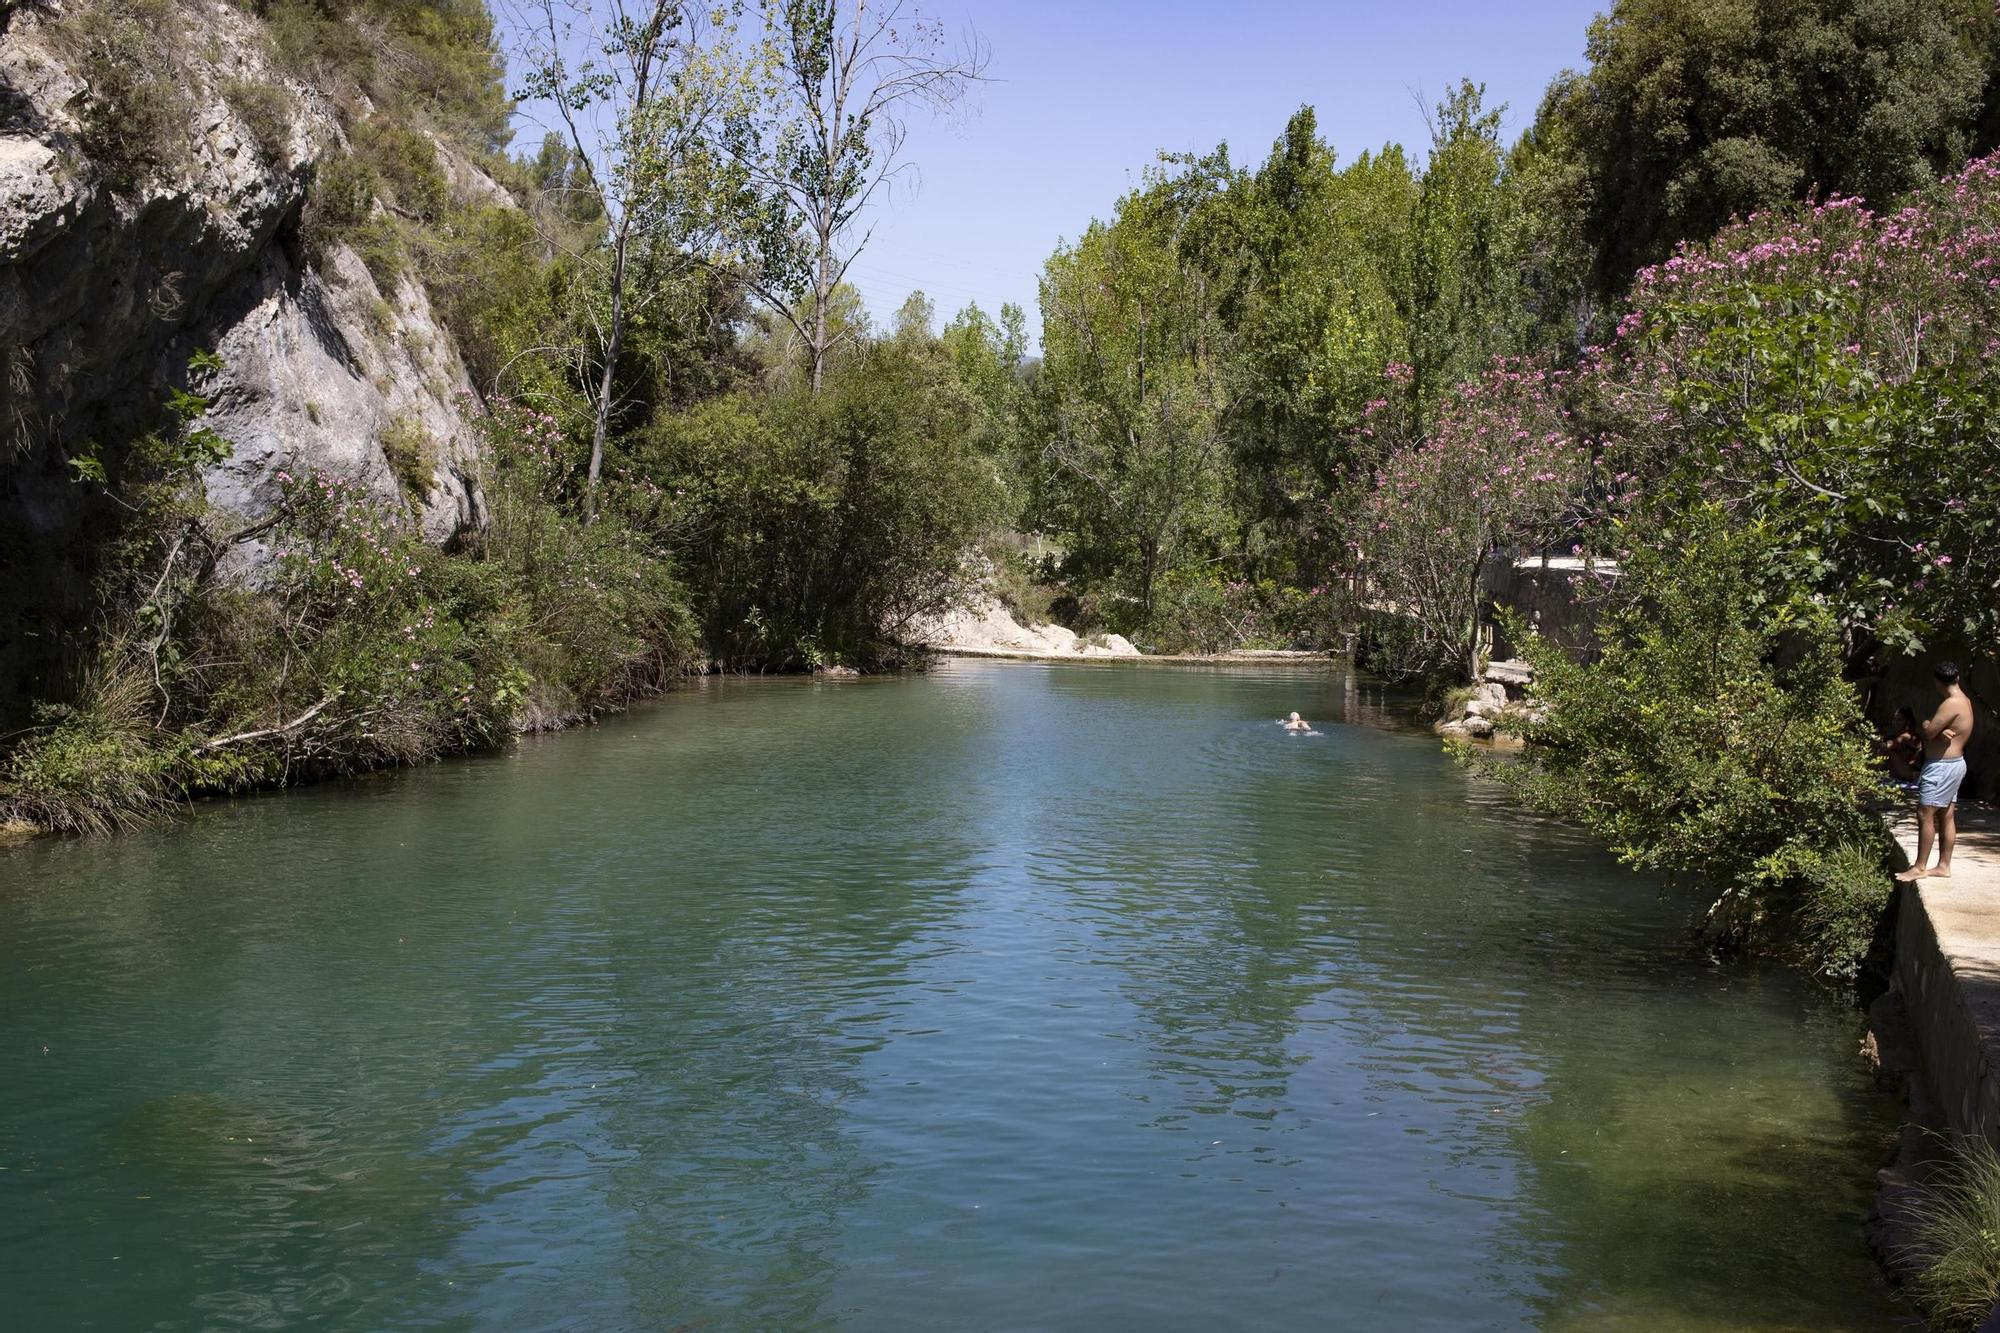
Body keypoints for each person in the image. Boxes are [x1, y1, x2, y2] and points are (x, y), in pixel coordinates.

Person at [1896, 662, 1975, 882]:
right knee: (1946, 813)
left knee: (1925, 813)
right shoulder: (1965, 701)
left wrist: (1927, 723)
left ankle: (1920, 867)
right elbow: (1939, 733)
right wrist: (1938, 732)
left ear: (1938, 682)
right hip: (1954, 763)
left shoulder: (1951, 703)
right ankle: (1943, 866)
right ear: (1957, 678)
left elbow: (1928, 731)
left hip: (1942, 767)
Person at [1878, 707, 1924, 786]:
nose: (1896, 722)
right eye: (1894, 719)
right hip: (1904, 771)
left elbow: (1888, 746)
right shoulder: (1898, 736)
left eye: (1899, 720)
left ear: (1907, 722)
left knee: (1886, 750)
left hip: (1912, 774)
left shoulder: (1906, 736)